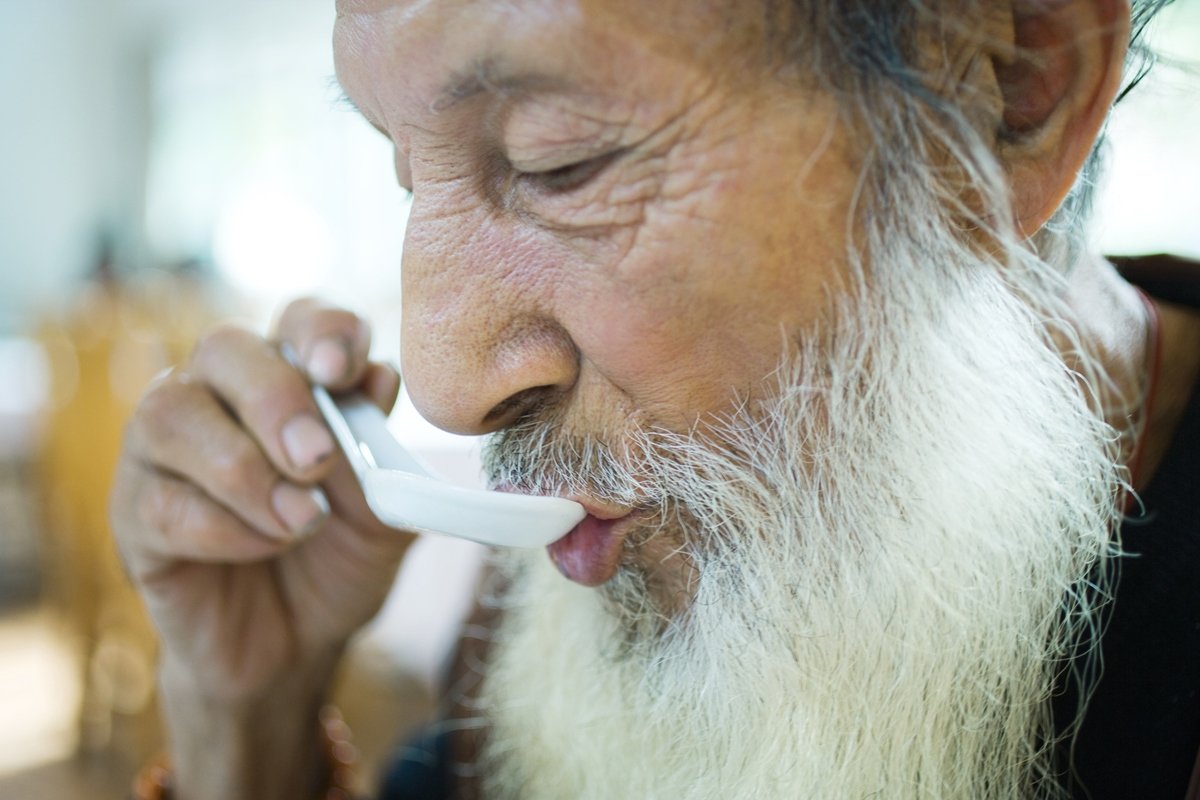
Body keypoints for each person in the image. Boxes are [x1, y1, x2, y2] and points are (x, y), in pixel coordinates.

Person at [110, 0, 1200, 797]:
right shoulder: (598, 558)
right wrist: (248, 720)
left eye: (560, 163)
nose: (439, 385)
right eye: (406, 171)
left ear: (1007, 86)